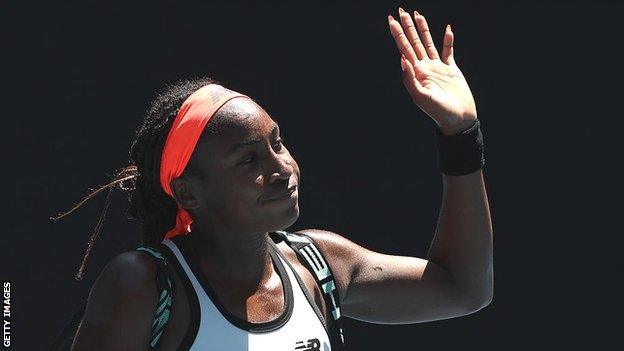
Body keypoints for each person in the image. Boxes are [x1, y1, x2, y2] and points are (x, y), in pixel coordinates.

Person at [66, 7, 493, 351]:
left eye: (277, 143)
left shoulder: (320, 264)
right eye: (247, 161)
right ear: (188, 192)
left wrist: (460, 135)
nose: (281, 168)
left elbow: (462, 288)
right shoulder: (142, 285)